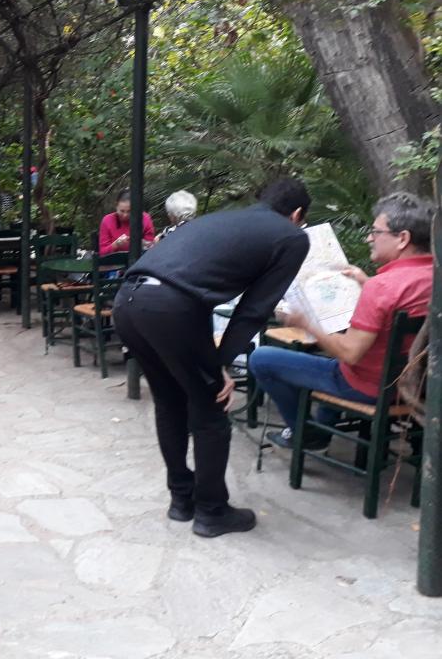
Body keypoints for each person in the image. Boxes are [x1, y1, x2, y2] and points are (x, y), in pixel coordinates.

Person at [112, 178, 311, 537]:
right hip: (171, 309)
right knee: (211, 410)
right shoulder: (292, 237)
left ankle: (181, 499)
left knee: (169, 401)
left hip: (128, 300)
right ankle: (211, 511)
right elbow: (254, 310)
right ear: (297, 214)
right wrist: (220, 364)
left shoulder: (222, 219)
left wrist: (213, 359)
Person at [250, 192, 435, 450]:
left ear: (402, 238)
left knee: (262, 358)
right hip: (417, 385)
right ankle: (322, 427)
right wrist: (365, 282)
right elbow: (402, 303)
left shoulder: (383, 287)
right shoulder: (433, 276)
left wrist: (306, 323)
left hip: (370, 387)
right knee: (332, 362)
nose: (369, 238)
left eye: (376, 232)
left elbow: (350, 353)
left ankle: (305, 434)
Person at [99, 188, 155, 255]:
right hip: (114, 260)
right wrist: (116, 245)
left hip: (140, 258)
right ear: (116, 206)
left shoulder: (145, 219)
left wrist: (142, 243)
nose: (125, 215)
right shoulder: (107, 220)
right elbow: (102, 252)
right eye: (122, 211)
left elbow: (151, 248)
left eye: (129, 211)